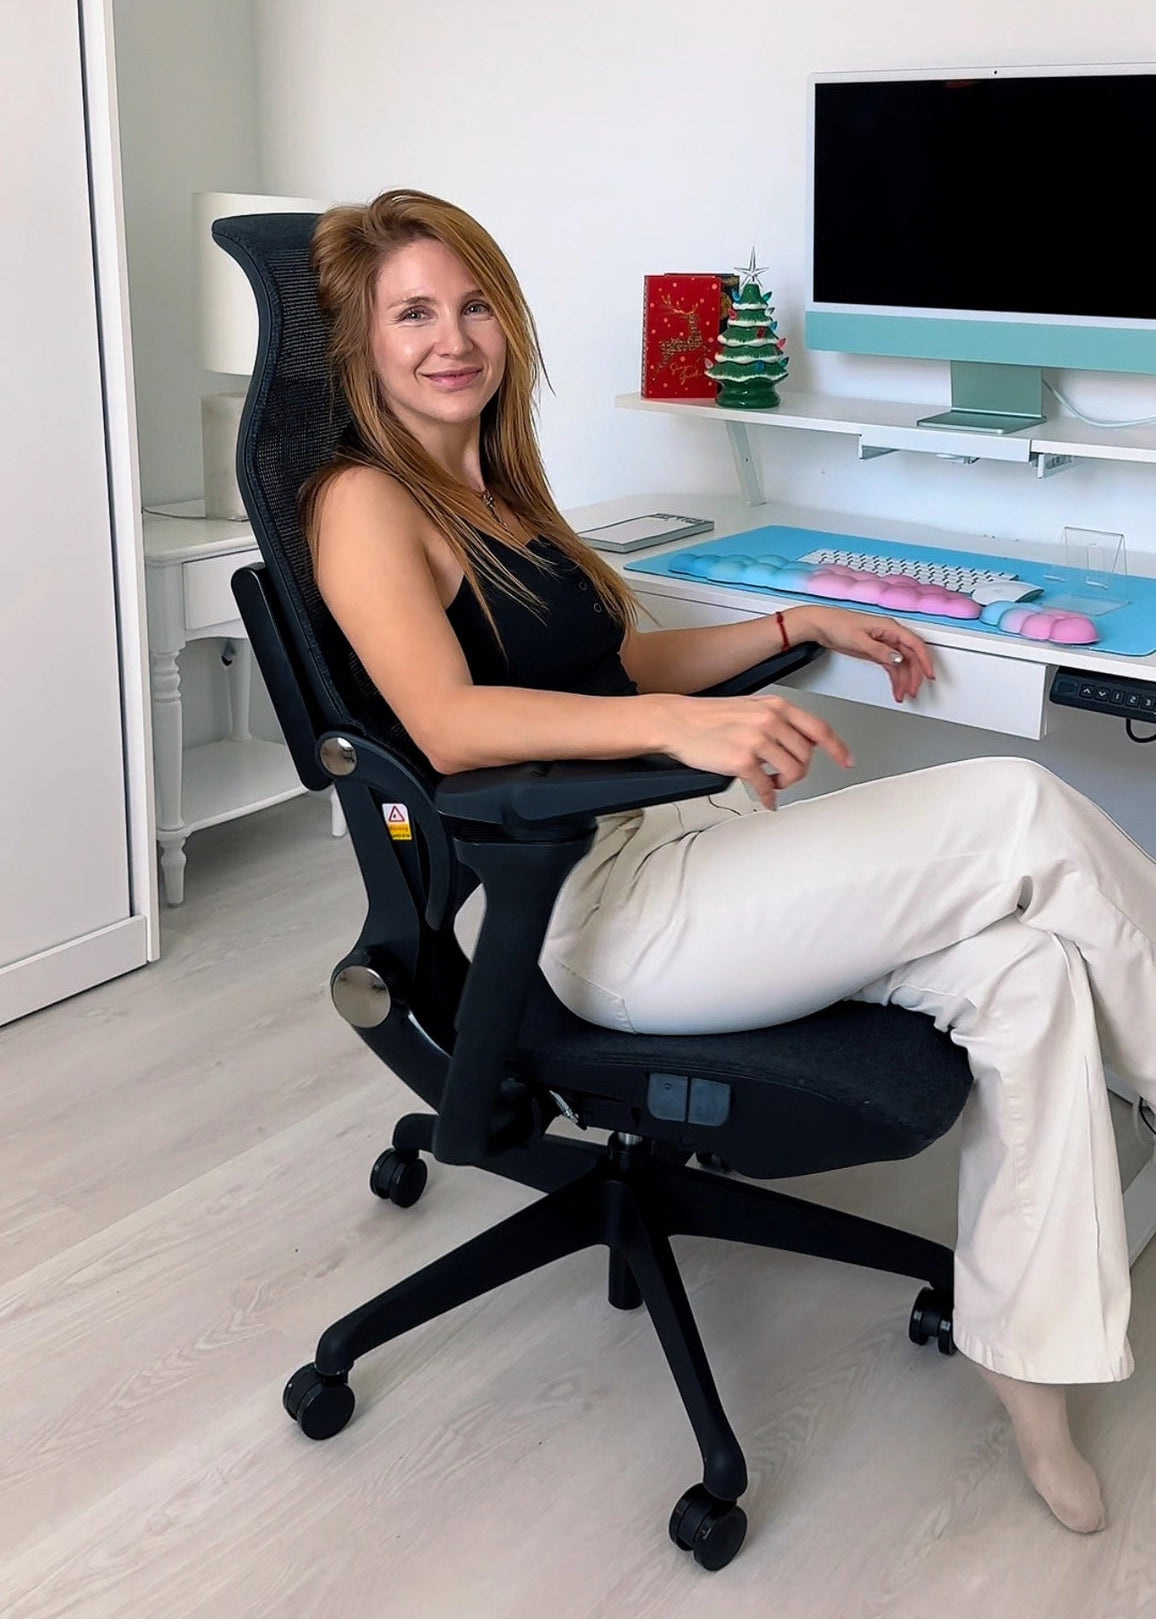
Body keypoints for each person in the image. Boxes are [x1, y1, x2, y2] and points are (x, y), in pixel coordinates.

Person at [303, 187, 1156, 1535]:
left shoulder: (495, 488)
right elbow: (447, 723)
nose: (451, 338)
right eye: (413, 313)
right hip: (600, 907)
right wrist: (686, 725)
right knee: (1019, 808)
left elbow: (607, 664)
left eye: (472, 305)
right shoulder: (364, 496)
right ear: (359, 347)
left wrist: (785, 621)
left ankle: (1033, 1376)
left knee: (1033, 973)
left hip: (695, 845)